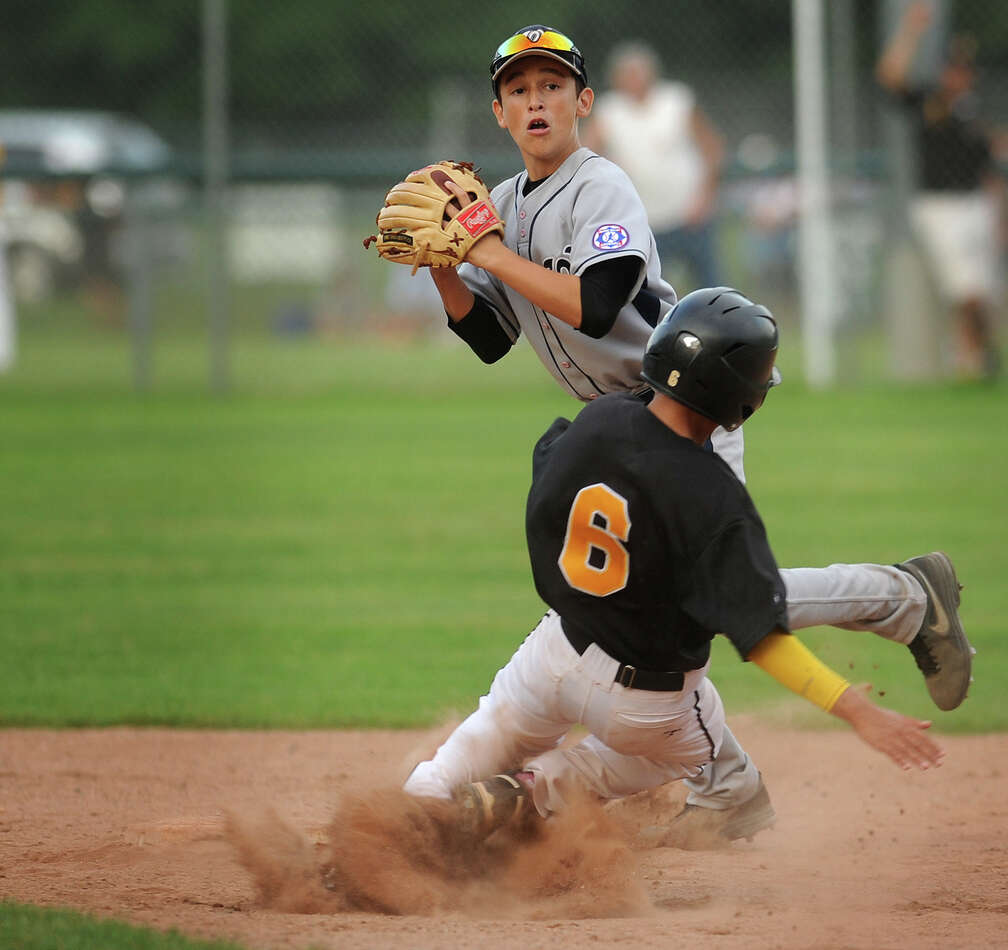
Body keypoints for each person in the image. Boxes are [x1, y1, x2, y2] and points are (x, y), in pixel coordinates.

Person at [398, 24, 972, 845]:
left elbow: (597, 304)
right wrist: (449, 270)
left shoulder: (602, 189)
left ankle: (901, 598)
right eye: (520, 90)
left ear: (583, 103)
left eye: (553, 86)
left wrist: (484, 246)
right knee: (657, 601)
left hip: (679, 404)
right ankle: (736, 778)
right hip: (611, 426)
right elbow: (492, 337)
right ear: (498, 111)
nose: (537, 101)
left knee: (706, 590)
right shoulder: (508, 205)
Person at [403, 288, 961, 839]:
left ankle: (403, 825)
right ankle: (530, 791)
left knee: (467, 752)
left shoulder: (599, 422)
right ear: (744, 401)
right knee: (694, 748)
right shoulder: (714, 500)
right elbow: (763, 637)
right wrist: (855, 711)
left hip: (551, 657)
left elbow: (548, 473)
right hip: (643, 702)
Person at [876, 1, 1000, 379]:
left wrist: (1000, 213)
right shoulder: (929, 100)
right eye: (953, 68)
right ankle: (974, 356)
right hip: (939, 203)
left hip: (976, 203)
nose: (958, 76)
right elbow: (889, 76)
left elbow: (989, 166)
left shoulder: (975, 112)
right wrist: (911, 31)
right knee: (965, 288)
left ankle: (975, 357)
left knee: (979, 288)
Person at [584, 40, 725, 289]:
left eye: (638, 72)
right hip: (642, 220)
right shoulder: (609, 111)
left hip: (689, 214)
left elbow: (712, 149)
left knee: (711, 286)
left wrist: (705, 198)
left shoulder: (676, 101)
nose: (634, 79)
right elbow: (585, 154)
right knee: (650, 292)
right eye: (627, 74)